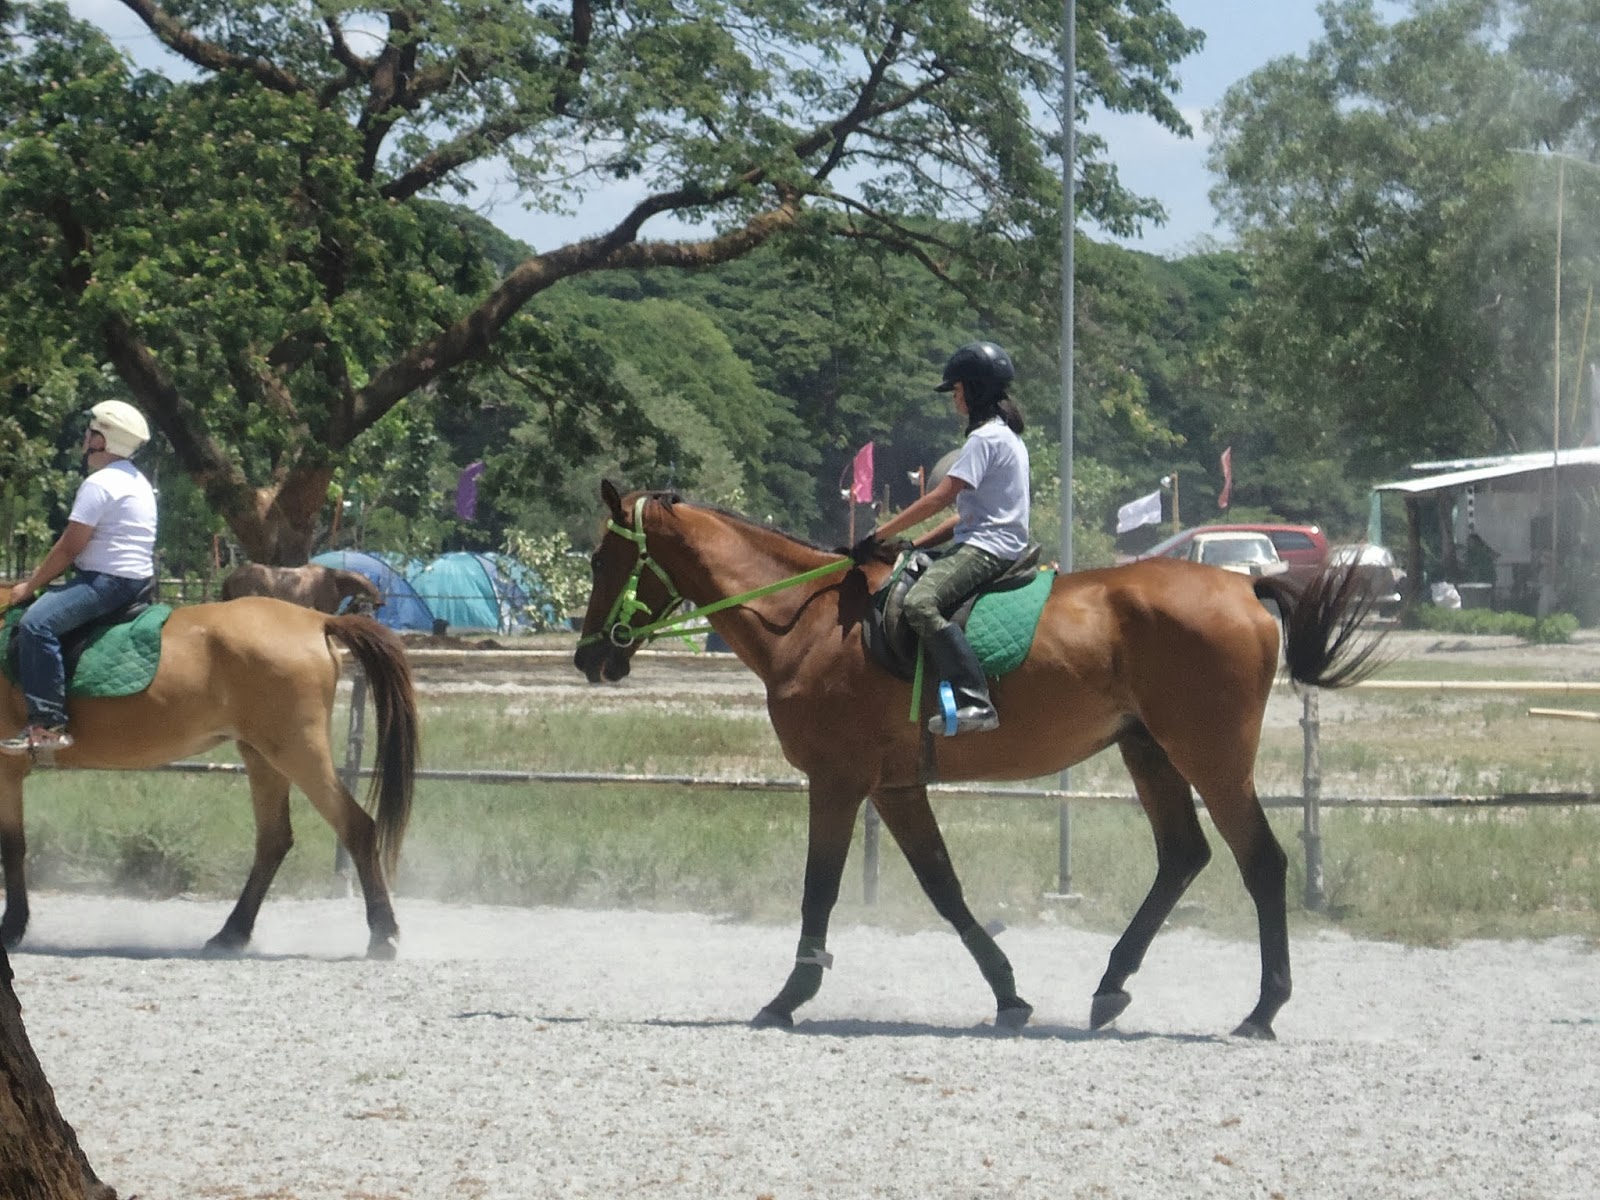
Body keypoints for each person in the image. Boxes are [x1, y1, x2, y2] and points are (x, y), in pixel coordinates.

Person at [852, 340, 1029, 735]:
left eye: (957, 389)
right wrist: (913, 545)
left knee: (919, 603)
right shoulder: (1006, 437)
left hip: (988, 549)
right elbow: (964, 516)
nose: (954, 398)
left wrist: (877, 535)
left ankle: (974, 698)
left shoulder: (984, 439)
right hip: (990, 540)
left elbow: (940, 498)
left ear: (974, 390)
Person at [1, 400, 157, 755]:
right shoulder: (138, 481)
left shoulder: (100, 483)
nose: (85, 439)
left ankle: (48, 725)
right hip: (135, 582)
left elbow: (69, 548)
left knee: (36, 624)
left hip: (105, 583)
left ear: (105, 440)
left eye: (91, 432)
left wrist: (30, 586)